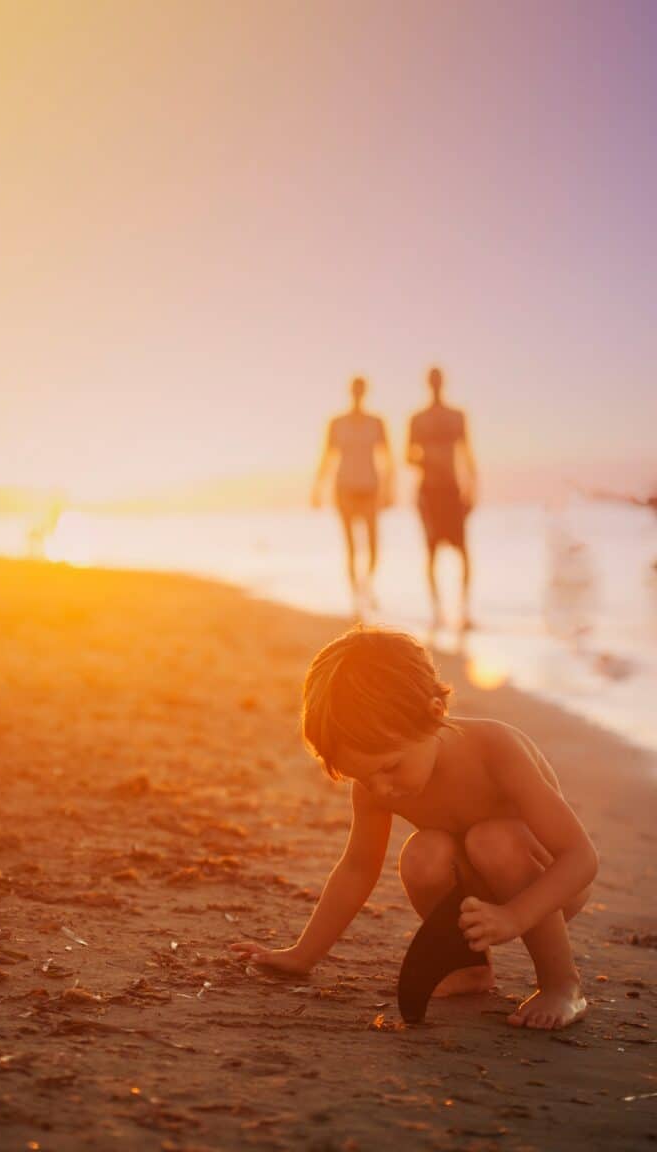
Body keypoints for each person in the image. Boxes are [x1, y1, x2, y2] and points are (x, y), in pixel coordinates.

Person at [231, 627, 597, 1031]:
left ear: (435, 712)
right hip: (478, 894)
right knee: (422, 853)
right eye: (364, 778)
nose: (381, 789)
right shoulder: (377, 783)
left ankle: (563, 983)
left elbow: (580, 858)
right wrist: (303, 954)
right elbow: (357, 869)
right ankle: (469, 965)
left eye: (389, 768)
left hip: (549, 887)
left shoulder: (495, 750)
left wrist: (514, 916)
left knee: (492, 840)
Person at [312, 377, 395, 611]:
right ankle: (355, 596)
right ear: (351, 392)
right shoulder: (337, 424)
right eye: (355, 389)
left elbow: (387, 458)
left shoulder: (376, 422)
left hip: (370, 488)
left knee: (373, 545)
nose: (358, 393)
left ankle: (366, 584)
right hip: (345, 489)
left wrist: (389, 489)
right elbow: (327, 457)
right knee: (350, 546)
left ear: (365, 392)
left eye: (361, 390)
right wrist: (318, 488)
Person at [406, 367, 477, 629]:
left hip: (452, 489)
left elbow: (467, 452)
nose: (436, 384)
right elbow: (408, 455)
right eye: (432, 381)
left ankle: (464, 609)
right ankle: (436, 610)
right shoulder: (417, 419)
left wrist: (473, 487)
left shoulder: (457, 417)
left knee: (463, 552)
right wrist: (428, 461)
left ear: (442, 383)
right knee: (431, 551)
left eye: (438, 380)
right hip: (429, 491)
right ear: (428, 383)